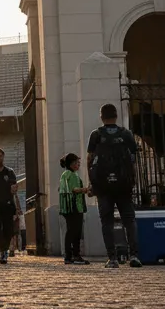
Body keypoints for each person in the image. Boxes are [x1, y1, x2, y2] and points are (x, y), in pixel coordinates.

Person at [86, 103, 142, 269]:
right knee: (129, 220)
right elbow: (133, 159)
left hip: (103, 186)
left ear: (101, 117)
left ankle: (113, 258)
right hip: (124, 185)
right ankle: (134, 255)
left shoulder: (96, 135)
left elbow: (89, 160)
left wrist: (92, 182)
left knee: (107, 222)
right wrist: (132, 179)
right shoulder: (126, 134)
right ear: (116, 116)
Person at [59, 152, 90, 265]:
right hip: (72, 206)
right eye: (77, 163)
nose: (78, 165)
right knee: (72, 231)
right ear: (71, 164)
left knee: (76, 231)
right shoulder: (68, 174)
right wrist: (85, 189)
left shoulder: (73, 174)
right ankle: (69, 255)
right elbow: (73, 189)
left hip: (77, 205)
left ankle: (76, 254)